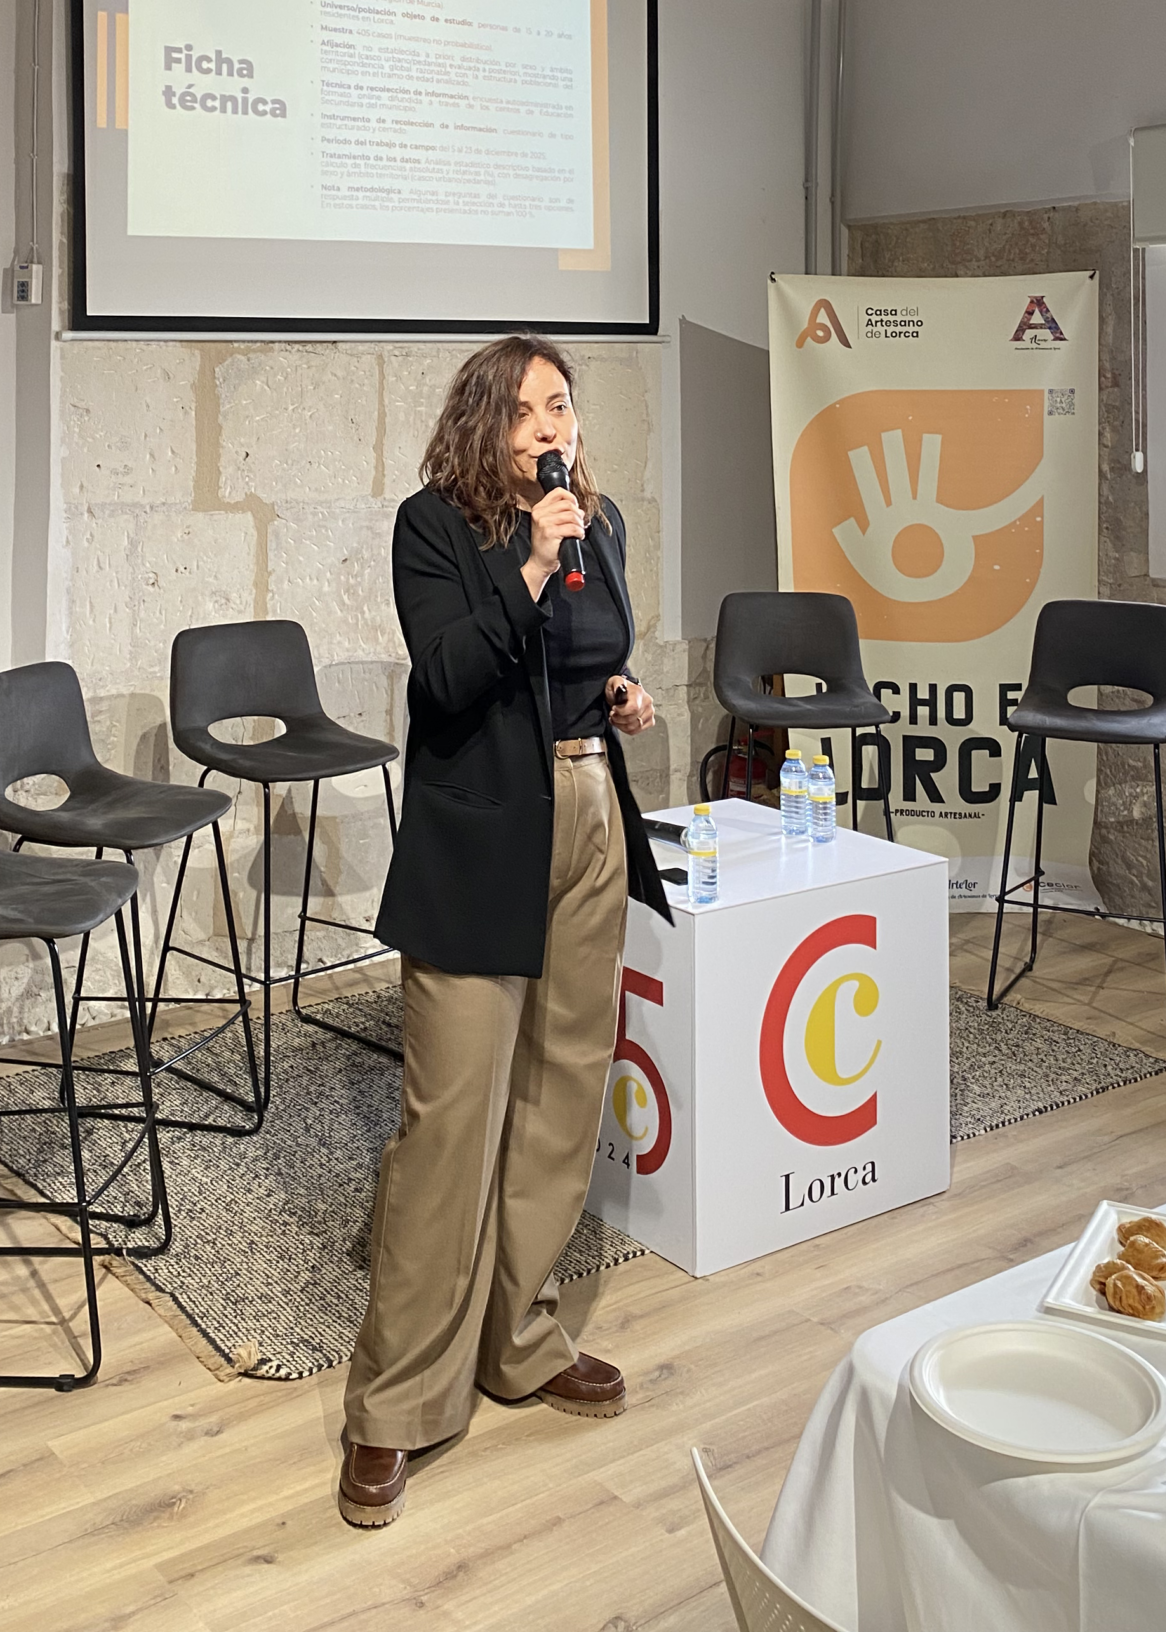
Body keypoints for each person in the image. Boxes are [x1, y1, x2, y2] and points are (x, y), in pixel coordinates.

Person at [338, 334, 671, 1529]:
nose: (551, 428)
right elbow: (445, 678)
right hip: (484, 836)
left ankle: (518, 1337)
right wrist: (529, 563)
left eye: (562, 407)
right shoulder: (435, 528)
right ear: (486, 422)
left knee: (563, 1090)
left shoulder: (599, 520)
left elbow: (593, 655)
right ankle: (395, 1403)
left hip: (589, 813)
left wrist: (621, 694)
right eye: (529, 410)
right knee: (450, 1119)